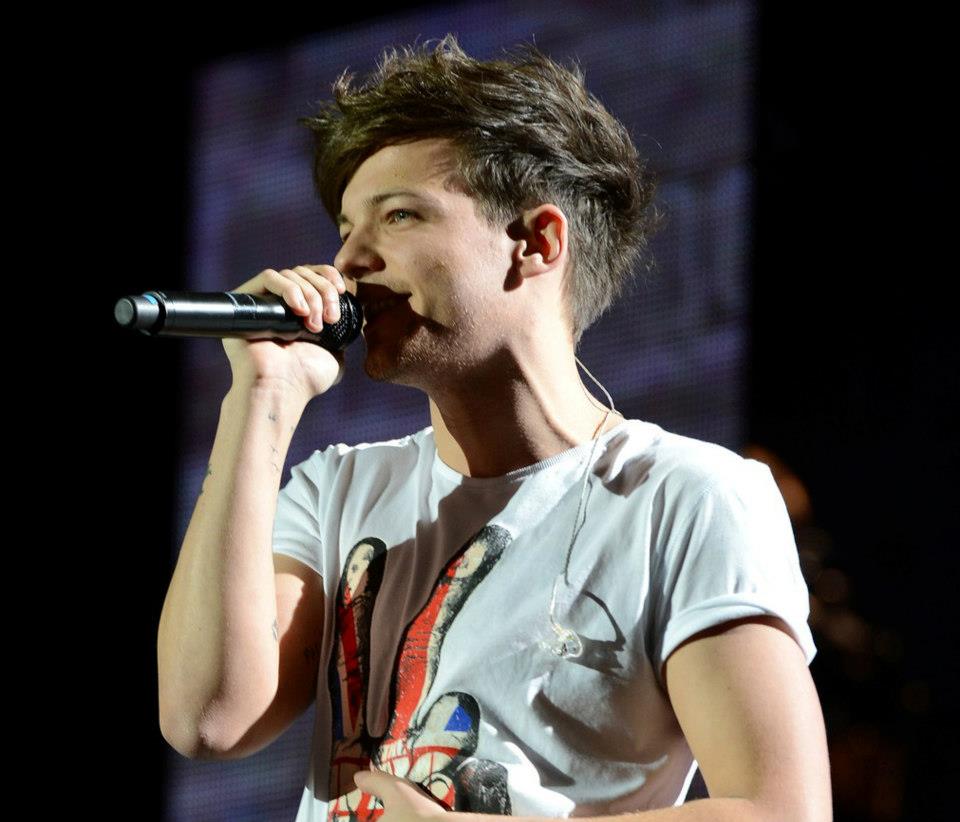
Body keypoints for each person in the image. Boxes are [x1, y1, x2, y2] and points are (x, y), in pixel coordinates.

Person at [157, 34, 832, 822]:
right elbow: (206, 719)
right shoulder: (338, 489)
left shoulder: (685, 498)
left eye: (398, 215)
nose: (347, 262)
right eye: (344, 228)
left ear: (538, 243)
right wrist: (262, 398)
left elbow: (780, 809)